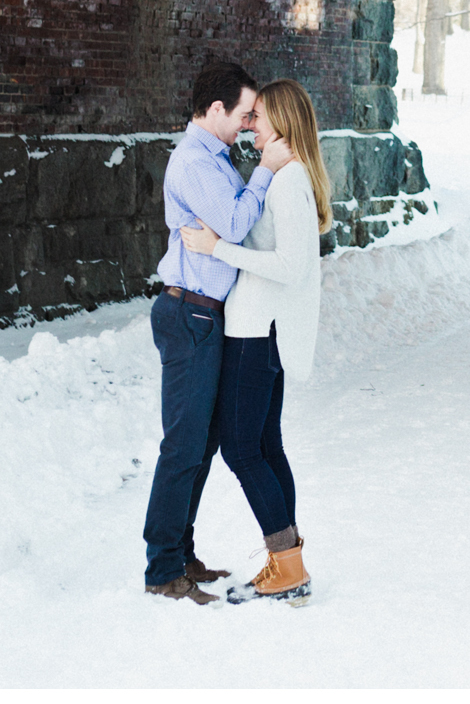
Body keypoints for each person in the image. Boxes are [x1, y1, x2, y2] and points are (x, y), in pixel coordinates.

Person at [182, 77, 330, 607]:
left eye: (259, 116)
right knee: (266, 447)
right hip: (261, 330)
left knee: (242, 450)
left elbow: (289, 267)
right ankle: (284, 560)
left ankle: (289, 566)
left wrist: (219, 248)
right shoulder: (287, 175)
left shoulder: (287, 180)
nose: (250, 124)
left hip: (256, 332)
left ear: (282, 122)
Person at [144, 59, 288, 603]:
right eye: (245, 114)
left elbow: (232, 225)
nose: (250, 125)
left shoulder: (216, 158)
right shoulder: (194, 163)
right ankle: (162, 570)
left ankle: (181, 554)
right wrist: (267, 170)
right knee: (183, 447)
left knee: (200, 446)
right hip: (189, 315)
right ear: (215, 109)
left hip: (205, 313)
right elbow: (232, 224)